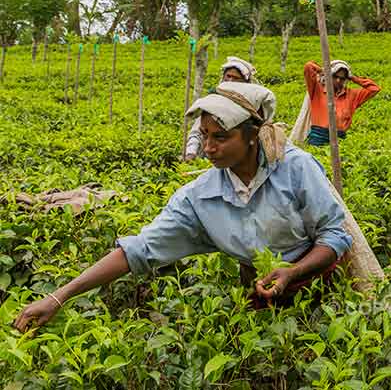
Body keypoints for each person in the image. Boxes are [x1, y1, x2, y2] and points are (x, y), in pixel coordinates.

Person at [14, 82, 353, 333]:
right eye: (204, 135)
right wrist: (58, 297)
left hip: (319, 289)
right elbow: (139, 250)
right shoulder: (198, 198)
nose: (207, 147)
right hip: (261, 293)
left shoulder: (296, 168)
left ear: (252, 135)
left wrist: (294, 272)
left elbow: (334, 235)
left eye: (220, 137)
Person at [184, 57, 259, 161]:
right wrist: (191, 153)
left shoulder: (252, 105)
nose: (230, 81)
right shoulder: (213, 102)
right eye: (228, 76)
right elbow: (197, 132)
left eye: (236, 78)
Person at [301, 60, 380, 145]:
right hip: (319, 136)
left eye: (342, 78)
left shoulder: (351, 95)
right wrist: (323, 71)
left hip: (340, 137)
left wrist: (353, 78)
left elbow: (374, 88)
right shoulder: (317, 90)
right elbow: (308, 67)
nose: (338, 80)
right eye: (335, 76)